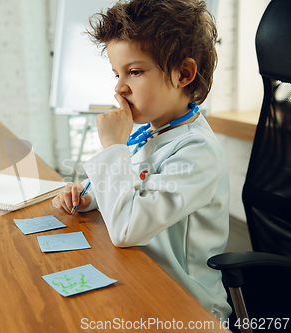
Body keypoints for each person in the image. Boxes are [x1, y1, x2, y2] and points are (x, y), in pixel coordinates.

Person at [53, 0, 231, 321]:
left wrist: (112, 146)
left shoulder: (197, 153)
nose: (119, 87)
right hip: (143, 273)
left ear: (183, 74)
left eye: (134, 72)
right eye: (116, 73)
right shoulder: (153, 133)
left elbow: (126, 229)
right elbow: (136, 192)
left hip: (187, 303)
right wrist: (90, 197)